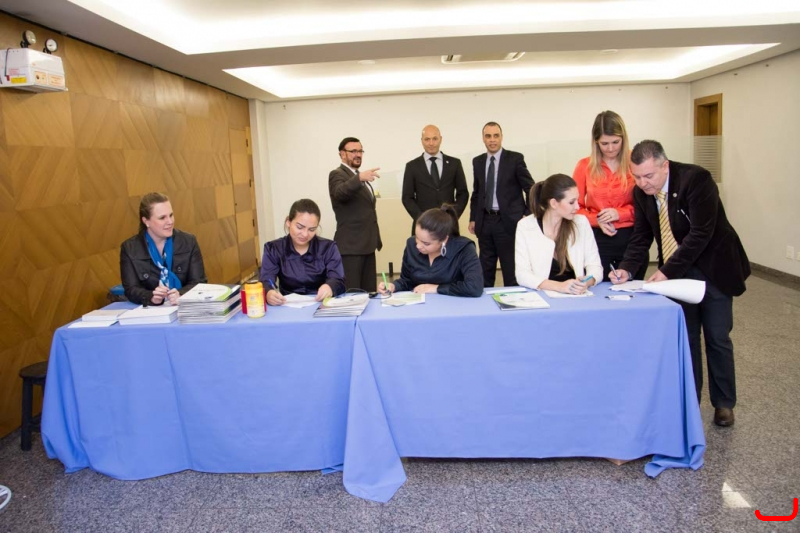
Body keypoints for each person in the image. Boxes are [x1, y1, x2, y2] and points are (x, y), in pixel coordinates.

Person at [612, 140, 750, 427]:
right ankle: (690, 401)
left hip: (714, 269)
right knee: (686, 339)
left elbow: (700, 234)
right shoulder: (642, 193)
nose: (643, 183)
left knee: (717, 337)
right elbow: (641, 236)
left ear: (665, 165)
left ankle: (724, 403)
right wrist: (626, 268)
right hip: (678, 275)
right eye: (637, 177)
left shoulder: (696, 180)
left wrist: (666, 271)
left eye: (648, 176)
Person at [572, 110, 646, 281]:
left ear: (623, 138)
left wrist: (620, 213)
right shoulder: (584, 166)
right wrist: (596, 219)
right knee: (598, 287)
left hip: (633, 239)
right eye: (604, 143)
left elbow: (648, 205)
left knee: (632, 288)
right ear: (596, 142)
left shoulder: (636, 161)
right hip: (596, 239)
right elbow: (574, 208)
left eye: (615, 142)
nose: (611, 148)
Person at [469, 122, 535, 287]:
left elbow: (531, 189)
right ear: (483, 138)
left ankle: (513, 301)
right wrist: (473, 218)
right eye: (488, 136)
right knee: (485, 271)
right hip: (485, 222)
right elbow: (477, 193)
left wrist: (526, 214)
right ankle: (485, 301)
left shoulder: (515, 159)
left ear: (501, 137)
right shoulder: (478, 162)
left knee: (510, 270)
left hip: (508, 223)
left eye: (496, 136)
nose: (492, 140)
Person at [515, 174, 603, 294]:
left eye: (577, 200)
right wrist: (559, 286)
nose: (577, 207)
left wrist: (587, 282)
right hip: (541, 296)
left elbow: (595, 266)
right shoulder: (526, 226)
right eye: (571, 202)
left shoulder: (581, 223)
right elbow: (522, 275)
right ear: (554, 203)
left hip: (577, 296)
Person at [120, 192, 207, 305]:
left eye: (171, 215)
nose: (170, 222)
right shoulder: (129, 248)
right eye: (162, 218)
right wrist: (151, 297)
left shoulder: (189, 242)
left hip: (185, 307)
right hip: (151, 310)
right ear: (146, 221)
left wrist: (181, 294)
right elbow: (131, 289)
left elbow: (199, 282)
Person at [378, 205, 482, 297]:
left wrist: (436, 288)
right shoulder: (411, 245)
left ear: (444, 240)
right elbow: (407, 281)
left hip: (453, 306)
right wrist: (393, 286)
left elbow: (474, 287)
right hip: (420, 305)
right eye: (417, 238)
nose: (418, 246)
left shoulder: (464, 248)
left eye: (426, 243)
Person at [260, 199, 346, 306]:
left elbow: (338, 279)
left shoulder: (328, 248)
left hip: (321, 304)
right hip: (287, 306)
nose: (305, 234)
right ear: (288, 222)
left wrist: (330, 287)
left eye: (312, 229)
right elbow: (266, 280)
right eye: (300, 227)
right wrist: (269, 293)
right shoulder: (273, 248)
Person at [329, 136, 382, 292]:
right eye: (353, 151)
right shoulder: (337, 174)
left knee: (369, 292)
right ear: (342, 154)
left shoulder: (358, 176)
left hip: (367, 245)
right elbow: (339, 193)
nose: (358, 154)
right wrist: (359, 178)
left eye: (360, 151)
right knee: (353, 295)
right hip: (351, 248)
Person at [402, 124, 469, 235]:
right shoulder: (412, 166)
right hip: (423, 227)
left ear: (440, 139)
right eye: (427, 139)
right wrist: (422, 218)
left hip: (449, 227)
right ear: (422, 141)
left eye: (435, 139)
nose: (431, 143)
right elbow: (407, 198)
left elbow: (463, 193)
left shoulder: (455, 163)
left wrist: (453, 216)